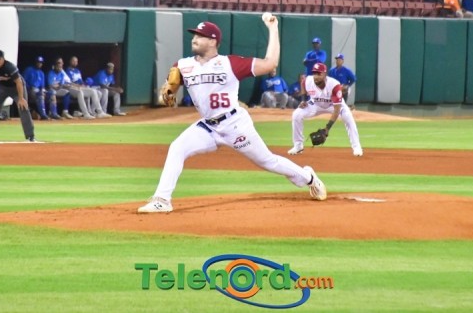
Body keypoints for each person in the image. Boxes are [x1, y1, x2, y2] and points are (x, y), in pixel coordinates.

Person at [138, 18, 327, 214]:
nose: (194, 39)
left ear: (213, 41)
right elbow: (167, 92)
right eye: (194, 35)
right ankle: (162, 200)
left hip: (234, 124)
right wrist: (167, 93)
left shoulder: (230, 63)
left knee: (267, 161)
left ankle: (309, 178)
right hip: (207, 126)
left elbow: (270, 63)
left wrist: (273, 28)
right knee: (177, 147)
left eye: (200, 36)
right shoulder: (182, 65)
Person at [288, 62, 363, 157]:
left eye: (319, 73)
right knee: (296, 114)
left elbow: (336, 110)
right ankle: (298, 145)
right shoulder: (308, 80)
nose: (316, 76)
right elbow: (303, 84)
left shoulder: (334, 85)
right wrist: (303, 100)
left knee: (348, 117)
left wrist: (327, 128)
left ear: (324, 74)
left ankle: (356, 147)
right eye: (314, 73)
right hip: (315, 104)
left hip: (333, 105)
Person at [22, 56, 52, 120]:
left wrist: (43, 90)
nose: (39, 63)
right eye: (38, 62)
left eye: (41, 62)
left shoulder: (41, 73)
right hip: (30, 90)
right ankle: (43, 114)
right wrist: (29, 87)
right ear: (35, 62)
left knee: (51, 94)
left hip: (38, 90)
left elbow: (42, 86)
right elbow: (23, 81)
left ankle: (53, 114)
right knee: (40, 94)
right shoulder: (29, 70)